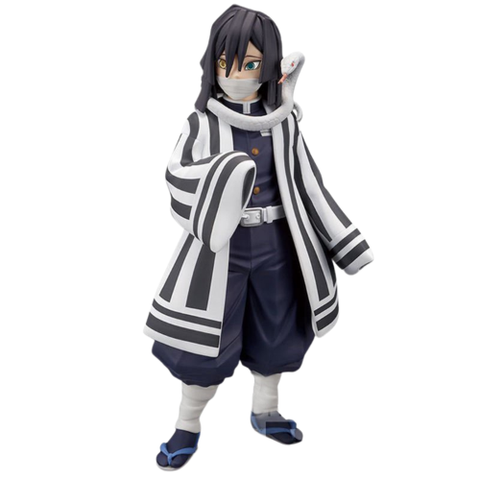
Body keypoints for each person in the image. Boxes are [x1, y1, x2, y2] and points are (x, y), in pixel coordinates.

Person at [144, 4, 374, 471]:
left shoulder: (284, 121)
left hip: (278, 247)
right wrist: (221, 178)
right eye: (225, 62)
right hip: (218, 254)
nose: (236, 75)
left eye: (250, 64)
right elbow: (176, 177)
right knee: (205, 342)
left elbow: (309, 184)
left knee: (280, 328)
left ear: (269, 66)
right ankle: (187, 424)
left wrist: (345, 243)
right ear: (212, 63)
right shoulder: (202, 124)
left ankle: (265, 411)